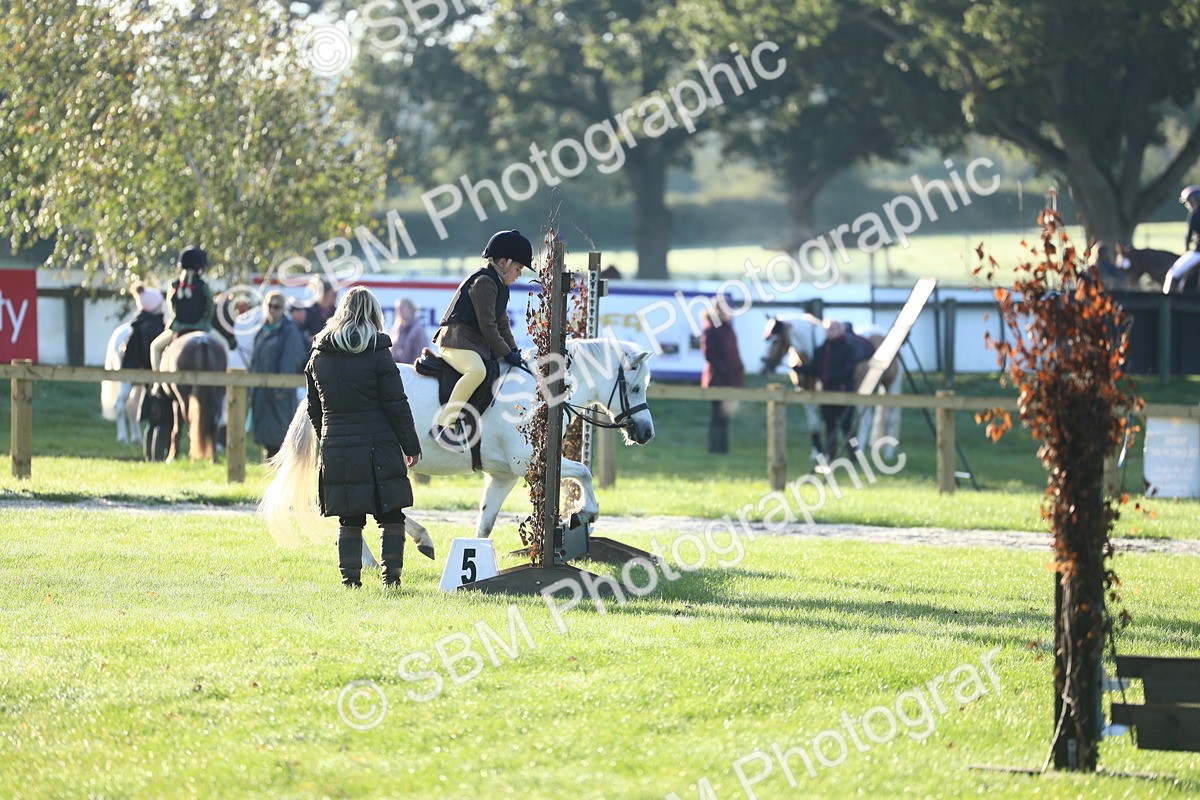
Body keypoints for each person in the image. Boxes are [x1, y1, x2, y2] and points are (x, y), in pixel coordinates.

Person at [305, 286, 423, 588]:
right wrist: (411, 446)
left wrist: (328, 439)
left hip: (337, 446)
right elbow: (396, 404)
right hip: (379, 445)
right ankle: (391, 580)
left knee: (350, 517)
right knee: (391, 514)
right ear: (373, 314)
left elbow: (314, 408)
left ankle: (350, 582)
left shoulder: (318, 354)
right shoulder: (378, 353)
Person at [430, 229, 531, 449]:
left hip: (470, 343)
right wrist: (506, 353)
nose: (519, 274)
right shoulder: (485, 282)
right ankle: (444, 424)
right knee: (477, 371)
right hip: (454, 341)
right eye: (518, 268)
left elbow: (502, 325)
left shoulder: (500, 287)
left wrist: (514, 351)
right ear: (503, 262)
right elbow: (488, 326)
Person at [249, 291, 309, 460]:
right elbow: (255, 360)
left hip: (279, 394)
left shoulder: (289, 331)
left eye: (277, 306)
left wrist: (280, 389)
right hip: (261, 393)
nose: (272, 310)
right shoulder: (262, 330)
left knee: (280, 435)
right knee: (266, 437)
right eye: (269, 305)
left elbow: (290, 360)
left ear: (283, 309)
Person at [149, 246, 216, 371]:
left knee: (155, 347)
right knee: (223, 345)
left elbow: (171, 307)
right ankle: (224, 386)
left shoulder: (173, 285)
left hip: (178, 327)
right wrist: (205, 322)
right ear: (199, 267)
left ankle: (157, 383)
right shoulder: (204, 286)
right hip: (202, 327)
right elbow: (210, 308)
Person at [699, 298, 744, 454]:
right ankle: (715, 449)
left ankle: (723, 449)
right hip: (717, 379)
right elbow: (709, 354)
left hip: (731, 380)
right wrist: (725, 370)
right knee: (718, 415)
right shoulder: (711, 328)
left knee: (725, 416)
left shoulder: (728, 329)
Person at [1164, 186, 1200, 293]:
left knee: (1172, 274)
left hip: (1198, 253)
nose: (1188, 205)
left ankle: (1167, 300)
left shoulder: (1195, 215)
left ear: (1195, 200)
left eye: (1189, 202)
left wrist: (1187, 247)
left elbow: (1189, 237)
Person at [390, 297, 430, 364]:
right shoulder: (396, 328)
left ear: (410, 310)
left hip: (411, 369)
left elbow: (421, 353)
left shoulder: (418, 330)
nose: (399, 312)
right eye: (397, 309)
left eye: (402, 308)